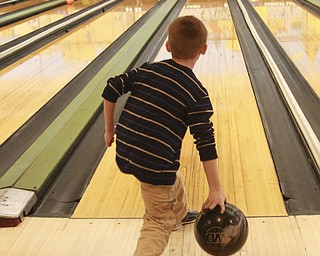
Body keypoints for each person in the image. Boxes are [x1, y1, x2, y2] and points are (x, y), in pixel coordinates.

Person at [102, 15, 226, 256]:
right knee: (158, 221)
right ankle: (168, 219)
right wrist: (216, 189)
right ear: (204, 50)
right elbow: (206, 143)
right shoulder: (197, 93)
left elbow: (111, 89)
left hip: (126, 150)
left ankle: (179, 214)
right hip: (153, 161)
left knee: (170, 171)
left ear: (168, 46)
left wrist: (109, 130)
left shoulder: (148, 70)